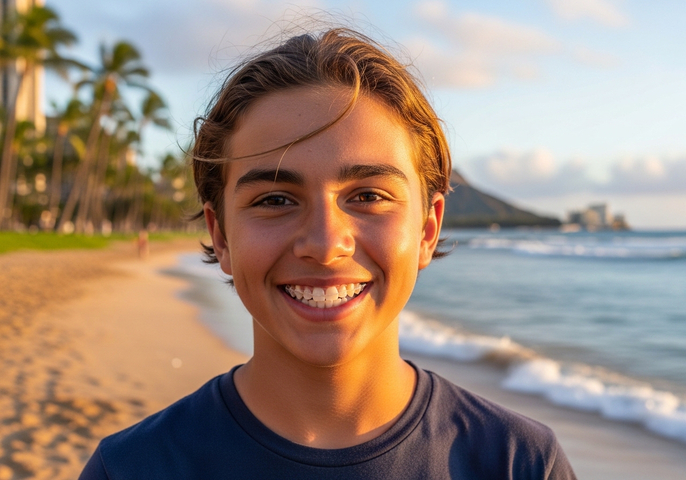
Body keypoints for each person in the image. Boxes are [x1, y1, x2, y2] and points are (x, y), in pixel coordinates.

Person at [80, 27, 576, 479]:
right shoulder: (130, 469)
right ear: (222, 236)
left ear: (427, 229)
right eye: (275, 200)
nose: (324, 243)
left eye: (367, 196)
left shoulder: (519, 463)